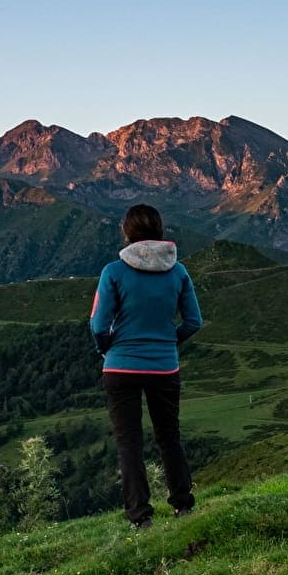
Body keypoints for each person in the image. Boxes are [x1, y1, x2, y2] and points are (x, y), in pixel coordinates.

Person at [90, 204, 203, 528]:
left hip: (120, 368)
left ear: (127, 232)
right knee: (169, 437)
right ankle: (182, 505)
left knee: (130, 443)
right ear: (160, 231)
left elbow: (99, 325)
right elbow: (193, 321)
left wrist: (106, 349)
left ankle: (140, 516)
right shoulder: (178, 272)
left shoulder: (113, 271)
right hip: (164, 367)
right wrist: (169, 341)